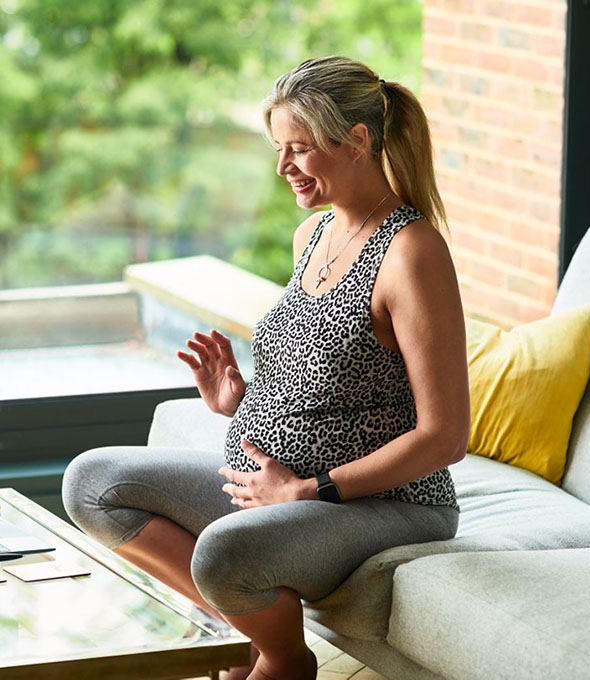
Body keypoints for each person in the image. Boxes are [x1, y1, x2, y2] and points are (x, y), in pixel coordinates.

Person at [62, 56, 470, 680]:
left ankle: (282, 659)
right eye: (279, 149)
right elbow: (328, 374)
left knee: (223, 553)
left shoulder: (412, 252)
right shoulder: (314, 233)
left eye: (299, 150)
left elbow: (445, 436)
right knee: (92, 482)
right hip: (272, 484)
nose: (283, 168)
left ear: (357, 141)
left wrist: (311, 490)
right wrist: (243, 399)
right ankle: (244, 635)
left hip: (384, 502)